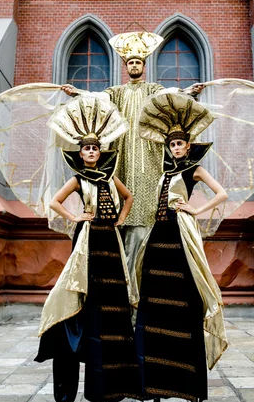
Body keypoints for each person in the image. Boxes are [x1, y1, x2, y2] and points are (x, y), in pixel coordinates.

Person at [61, 30, 205, 280]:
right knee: (122, 199)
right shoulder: (116, 92)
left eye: (138, 62)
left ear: (144, 66)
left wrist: (190, 93)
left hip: (149, 156)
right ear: (126, 67)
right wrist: (77, 94)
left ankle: (144, 278)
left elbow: (171, 97)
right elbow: (97, 99)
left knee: (150, 208)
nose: (135, 66)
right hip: (122, 155)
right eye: (131, 62)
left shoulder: (153, 89)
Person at [34, 94, 140, 402]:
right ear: (80, 154)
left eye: (95, 148)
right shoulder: (79, 178)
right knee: (87, 289)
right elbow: (54, 202)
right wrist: (76, 217)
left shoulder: (109, 176)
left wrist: (121, 220)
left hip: (111, 239)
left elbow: (129, 197)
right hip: (88, 239)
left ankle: (110, 385)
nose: (91, 152)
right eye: (86, 149)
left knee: (112, 297)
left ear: (100, 151)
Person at [134, 90, 229, 402]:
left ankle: (187, 384)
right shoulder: (165, 171)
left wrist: (196, 210)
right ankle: (158, 383)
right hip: (159, 238)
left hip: (181, 236)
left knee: (184, 300)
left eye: (180, 144)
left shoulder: (194, 170)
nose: (176, 148)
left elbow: (223, 193)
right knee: (157, 304)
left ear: (188, 145)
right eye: (172, 144)